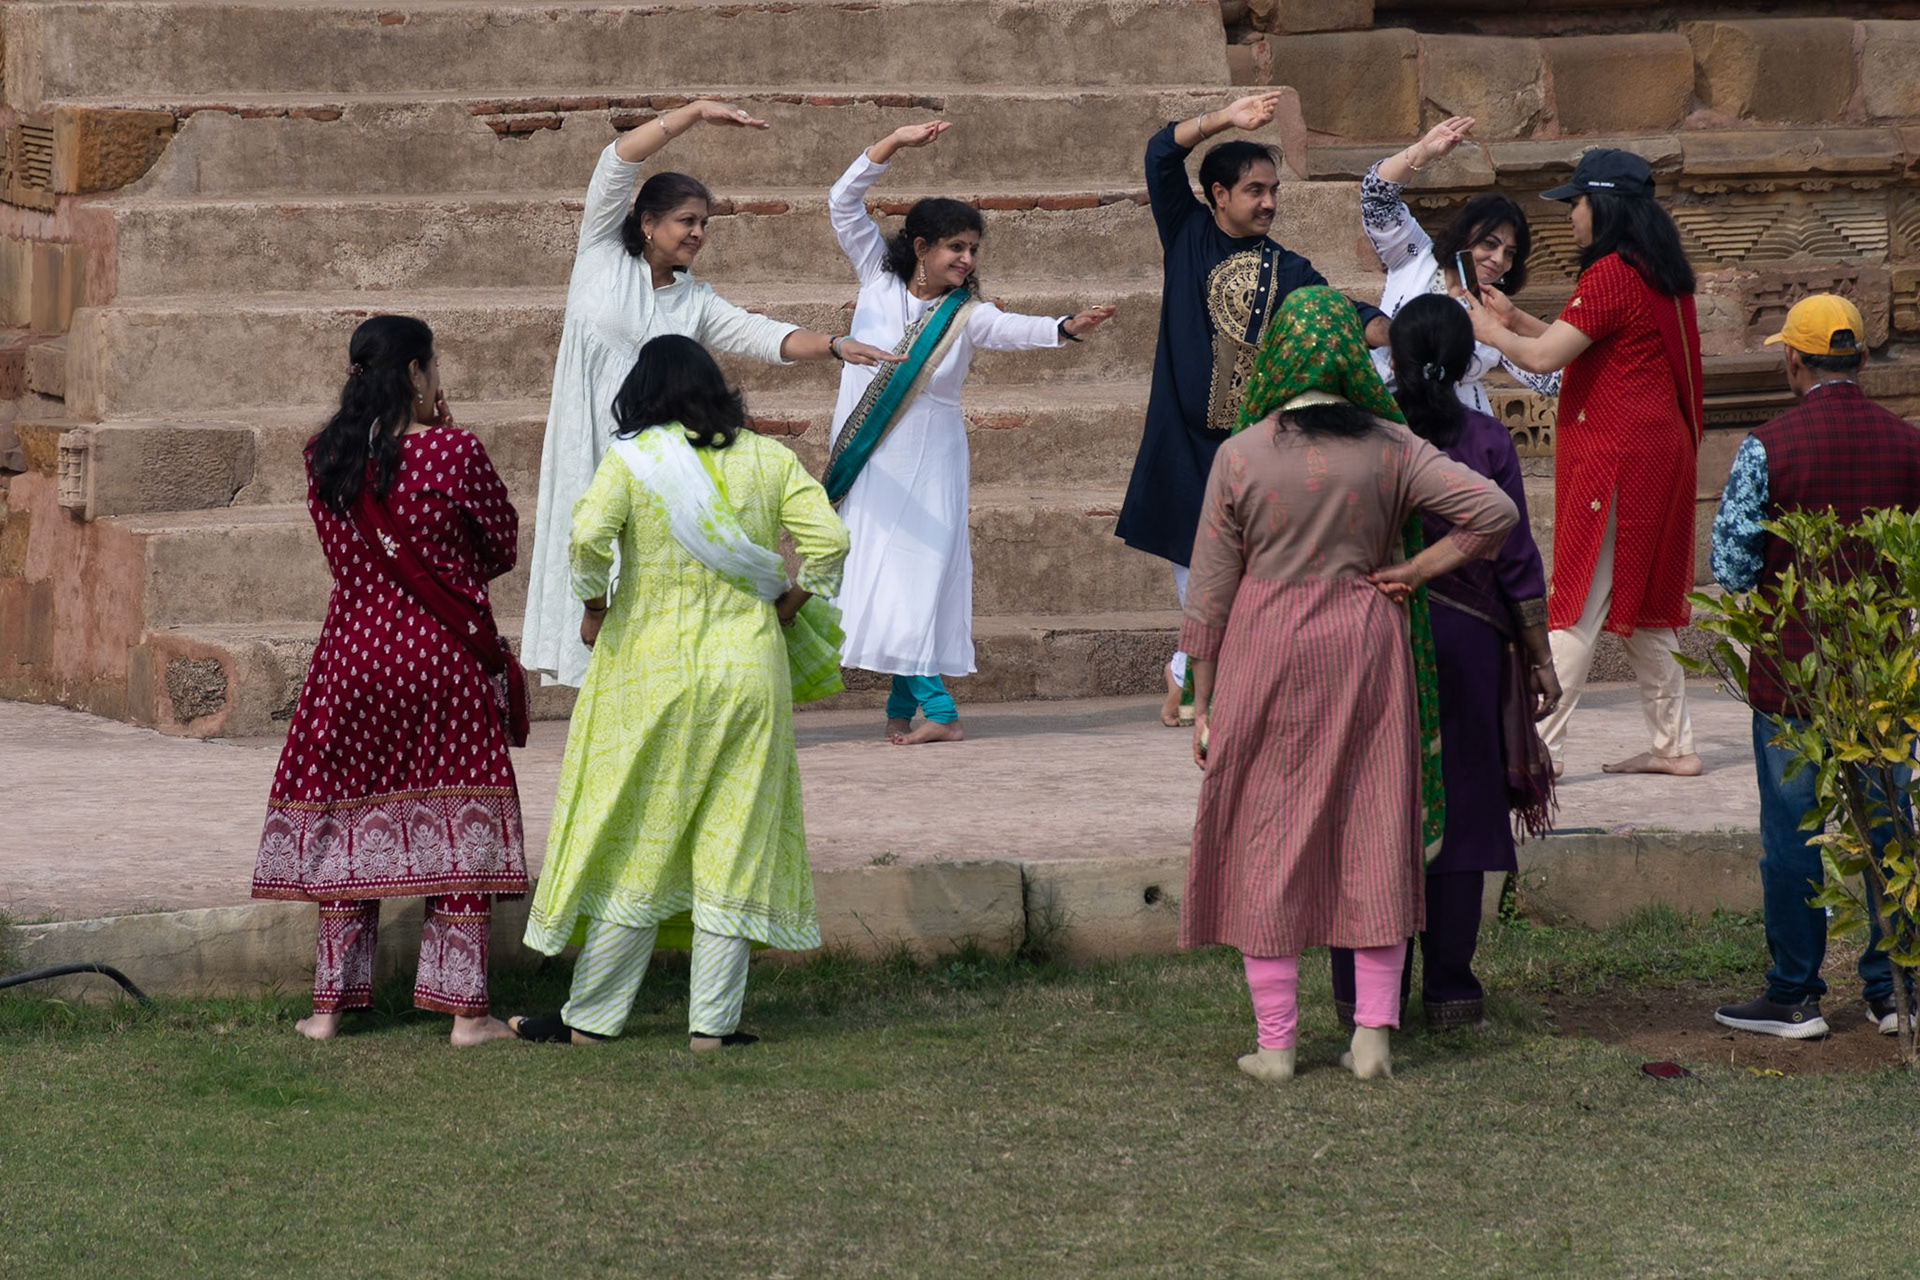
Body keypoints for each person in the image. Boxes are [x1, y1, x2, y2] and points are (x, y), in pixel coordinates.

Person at [1180, 286, 1519, 1084]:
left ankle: (1276, 1044)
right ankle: (1372, 1037)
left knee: (1267, 836)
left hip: (1266, 647)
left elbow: (1211, 588)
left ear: (1279, 357)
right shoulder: (1392, 447)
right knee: (1374, 827)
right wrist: (1415, 568)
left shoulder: (1241, 453)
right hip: (1369, 643)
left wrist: (1203, 696)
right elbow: (1494, 512)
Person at [514, 335, 849, 1049]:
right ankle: (713, 1028)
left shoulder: (633, 462)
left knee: (640, 840)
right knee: (737, 841)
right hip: (748, 675)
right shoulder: (767, 458)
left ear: (643, 393)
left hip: (651, 675)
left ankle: (593, 1019)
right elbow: (829, 541)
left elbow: (588, 537)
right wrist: (790, 604)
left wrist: (593, 605)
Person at [521, 99, 896, 690]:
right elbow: (616, 159)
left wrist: (834, 345)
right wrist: (693, 112)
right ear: (648, 221)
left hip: (654, 460)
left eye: (704, 224)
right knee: (590, 546)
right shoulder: (599, 255)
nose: (698, 233)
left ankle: (655, 687)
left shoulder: (694, 300)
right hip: (584, 445)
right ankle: (605, 694)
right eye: (686, 221)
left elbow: (757, 332)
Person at [252, 315, 527, 1046]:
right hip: (440, 659)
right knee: (459, 817)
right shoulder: (454, 451)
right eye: (432, 368)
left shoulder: (323, 455)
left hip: (352, 657)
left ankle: (329, 1010)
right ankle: (467, 1015)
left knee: (347, 816)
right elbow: (500, 543)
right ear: (415, 373)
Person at [824, 122, 1115, 744]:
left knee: (920, 571)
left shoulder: (966, 315)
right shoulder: (876, 278)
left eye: (974, 250)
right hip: (872, 453)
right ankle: (903, 707)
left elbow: (1015, 330)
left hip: (932, 456)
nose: (967, 260)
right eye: (956, 247)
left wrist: (1066, 326)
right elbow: (842, 201)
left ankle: (942, 713)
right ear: (921, 246)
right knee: (881, 567)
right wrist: (893, 145)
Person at [1117, 91, 1391, 729]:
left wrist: (1391, 330)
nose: (1268, 201)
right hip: (1183, 435)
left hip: (1251, 443)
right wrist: (1222, 120)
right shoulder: (1186, 233)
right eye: (1254, 190)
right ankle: (1195, 679)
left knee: (1242, 567)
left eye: (1273, 190)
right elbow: (1161, 153)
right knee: (1197, 560)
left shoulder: (1286, 268)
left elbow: (1340, 313)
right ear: (1218, 194)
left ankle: (1193, 672)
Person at [1328, 295, 1561, 1031]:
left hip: (1373, 639)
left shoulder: (1358, 439)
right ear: (1467, 364)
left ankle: (1362, 994)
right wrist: (1539, 659)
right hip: (1466, 650)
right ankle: (1452, 989)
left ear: (1389, 358)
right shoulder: (1487, 442)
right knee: (1458, 809)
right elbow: (1515, 557)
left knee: (1366, 812)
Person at [1708, 294, 1920, 1039]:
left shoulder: (1769, 445)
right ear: (1862, 360)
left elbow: (1731, 567)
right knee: (1890, 831)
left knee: (1793, 835)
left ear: (1792, 360)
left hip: (1793, 680)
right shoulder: (1908, 443)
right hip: (1881, 679)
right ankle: (1896, 991)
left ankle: (1794, 995)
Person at [1469, 148, 1705, 777]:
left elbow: (1545, 359)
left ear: (1602, 206)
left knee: (1576, 602)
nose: (1569, 214)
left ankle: (1535, 752)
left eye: (1575, 202)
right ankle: (1674, 745)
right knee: (1648, 607)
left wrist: (1488, 330)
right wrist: (1515, 318)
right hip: (1661, 452)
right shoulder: (1654, 271)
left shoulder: (1611, 273)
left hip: (1620, 457)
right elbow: (1573, 342)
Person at [1359, 116, 1561, 412]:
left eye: (1509, 253)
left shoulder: (1496, 313)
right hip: (1384, 414)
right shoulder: (1414, 256)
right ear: (1464, 235)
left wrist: (1513, 324)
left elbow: (1553, 379)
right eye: (1490, 244)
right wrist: (1422, 152)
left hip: (1459, 434)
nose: (1498, 260)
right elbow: (1376, 199)